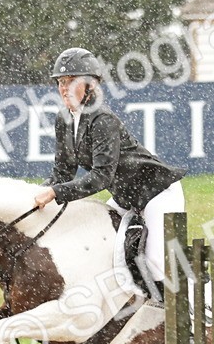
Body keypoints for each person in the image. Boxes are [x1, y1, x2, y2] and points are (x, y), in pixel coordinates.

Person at [34, 47, 186, 289]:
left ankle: (187, 310)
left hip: (157, 194)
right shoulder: (64, 119)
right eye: (61, 82)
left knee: (156, 261)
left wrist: (55, 193)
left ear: (91, 85)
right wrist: (30, 195)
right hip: (126, 198)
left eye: (71, 81)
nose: (64, 88)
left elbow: (100, 178)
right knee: (103, 250)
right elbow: (62, 174)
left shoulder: (103, 119)